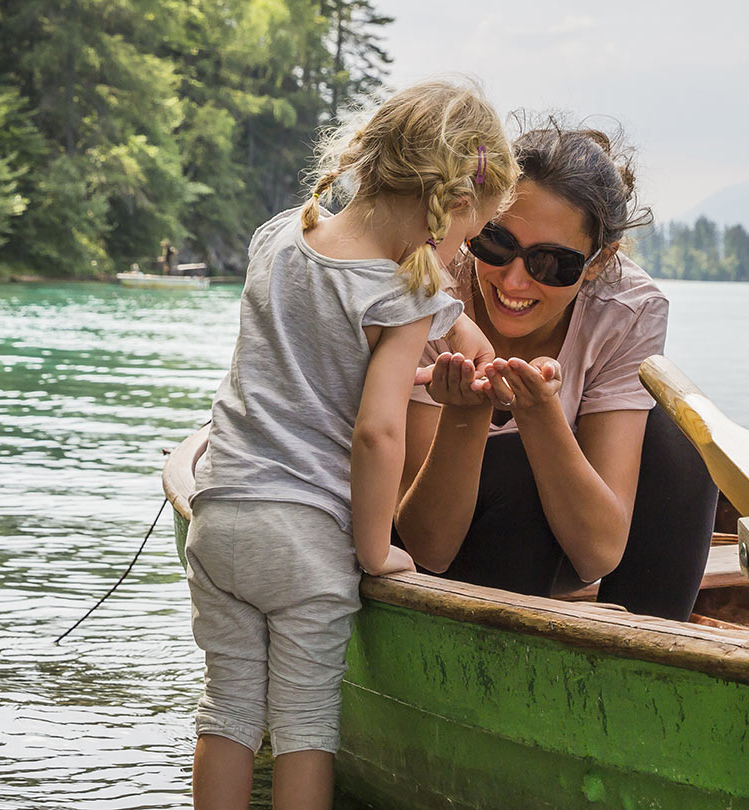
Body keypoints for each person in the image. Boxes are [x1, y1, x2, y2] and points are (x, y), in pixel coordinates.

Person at [184, 79, 516, 810]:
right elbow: (377, 429)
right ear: (453, 206)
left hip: (218, 516)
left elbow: (298, 360)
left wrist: (450, 319)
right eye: (468, 236)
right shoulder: (398, 297)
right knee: (304, 726)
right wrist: (375, 550)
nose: (461, 252)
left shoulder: (278, 236)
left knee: (229, 708)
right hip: (302, 540)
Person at [394, 123, 719, 621]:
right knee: (511, 465)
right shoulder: (430, 286)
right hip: (425, 548)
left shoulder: (627, 309)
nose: (516, 279)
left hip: (562, 541)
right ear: (473, 223)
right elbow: (428, 545)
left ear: (596, 263)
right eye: (497, 244)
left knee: (683, 441)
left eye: (552, 263)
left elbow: (599, 554)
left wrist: (540, 415)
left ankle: (643, 662)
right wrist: (466, 414)